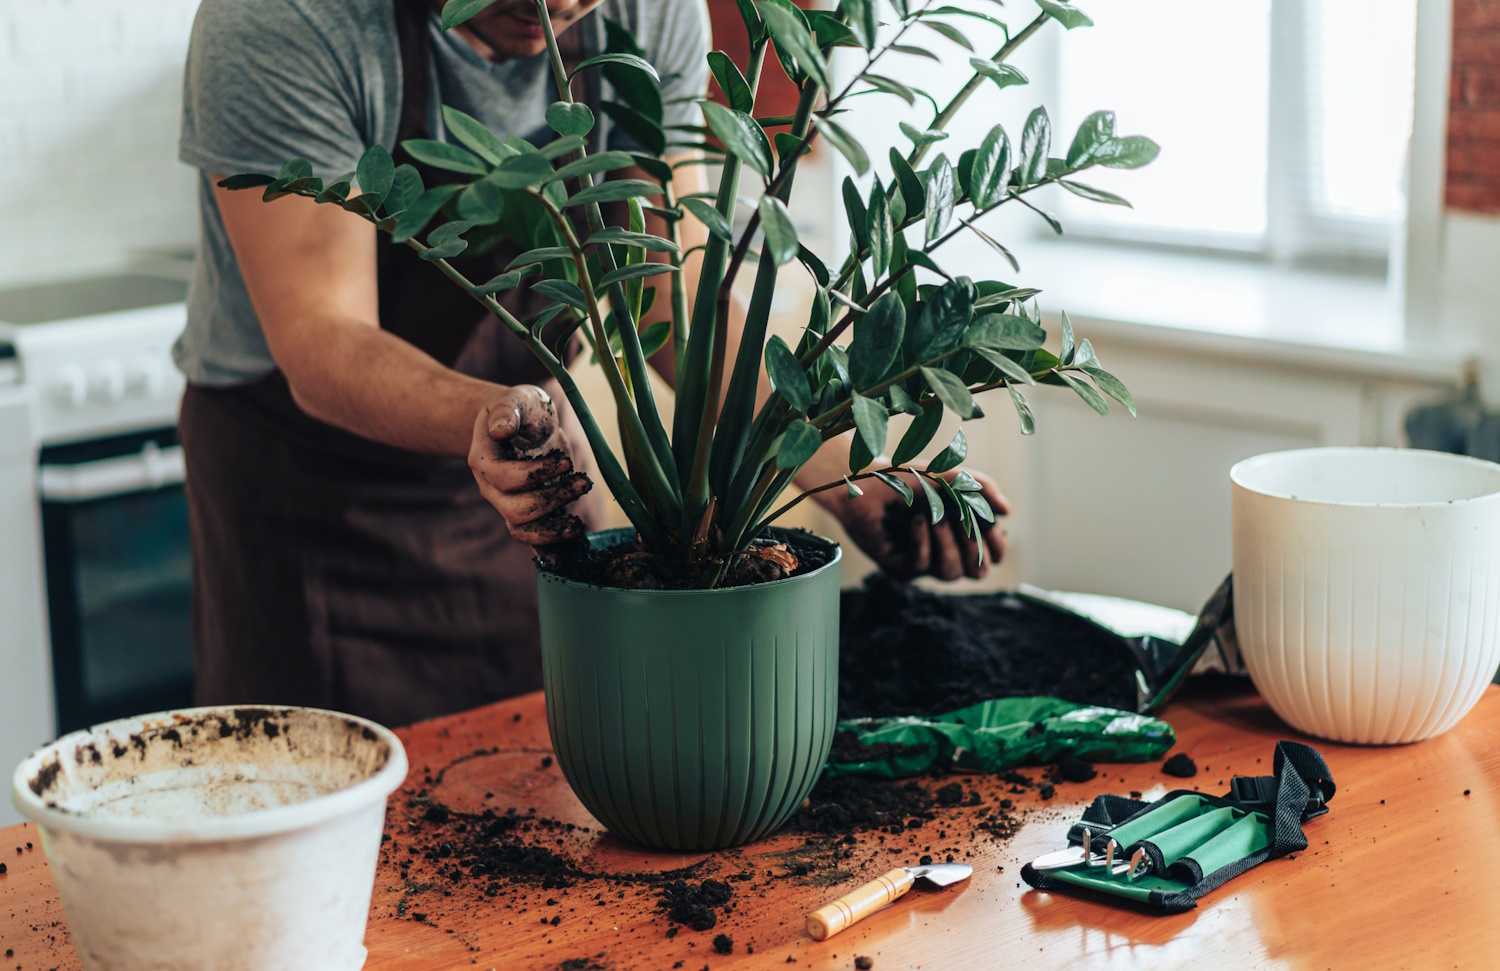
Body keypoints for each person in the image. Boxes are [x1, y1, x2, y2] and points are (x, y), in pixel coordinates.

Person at [175, 0, 1010, 729]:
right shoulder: (282, 18)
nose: (562, 0)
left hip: (533, 485)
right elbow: (324, 339)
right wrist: (496, 415)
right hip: (315, 506)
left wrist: (849, 470)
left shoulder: (645, 11)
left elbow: (671, 299)